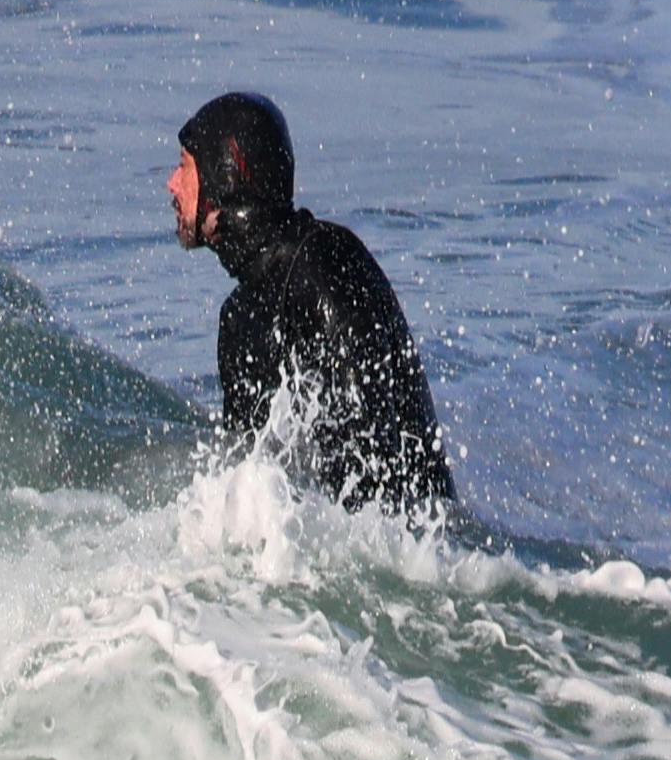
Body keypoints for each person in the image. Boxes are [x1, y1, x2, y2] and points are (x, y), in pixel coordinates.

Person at [162, 88, 459, 521]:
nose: (171, 182)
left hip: (419, 552)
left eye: (184, 166)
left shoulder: (327, 262)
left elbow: (379, 453)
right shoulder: (239, 317)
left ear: (223, 174)